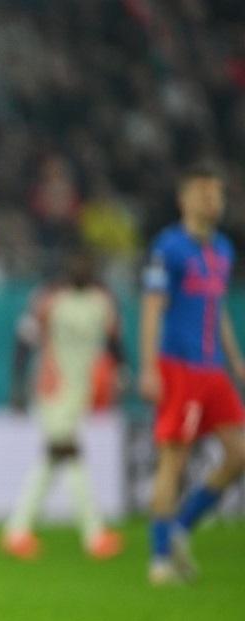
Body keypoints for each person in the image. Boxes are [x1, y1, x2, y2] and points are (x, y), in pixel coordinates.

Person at [140, 165, 245, 585]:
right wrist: (149, 367)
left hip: (213, 368)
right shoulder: (168, 247)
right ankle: (160, 559)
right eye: (203, 193)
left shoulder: (223, 248)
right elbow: (152, 307)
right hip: (179, 367)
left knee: (240, 453)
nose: (212, 201)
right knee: (174, 460)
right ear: (184, 200)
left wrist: (235, 359)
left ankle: (182, 527)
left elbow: (217, 308)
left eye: (217, 194)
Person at [1, 250, 125, 560]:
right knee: (69, 451)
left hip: (82, 390)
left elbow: (114, 342)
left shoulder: (102, 301)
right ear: (66, 268)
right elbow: (24, 340)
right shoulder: (48, 299)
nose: (81, 268)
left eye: (86, 263)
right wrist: (17, 385)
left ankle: (17, 531)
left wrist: (122, 372)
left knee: (53, 457)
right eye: (76, 263)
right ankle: (94, 535)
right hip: (52, 387)